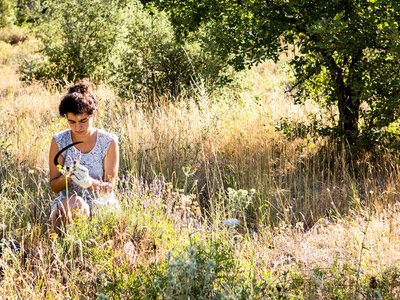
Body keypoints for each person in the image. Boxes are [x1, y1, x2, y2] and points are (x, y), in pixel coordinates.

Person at [49, 79, 119, 233]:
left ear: (93, 116)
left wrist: (89, 182)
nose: (77, 127)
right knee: (76, 204)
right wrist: (68, 176)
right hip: (69, 204)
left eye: (83, 120)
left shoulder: (108, 141)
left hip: (101, 203)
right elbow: (54, 186)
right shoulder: (59, 140)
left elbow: (110, 187)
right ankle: (67, 249)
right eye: (72, 122)